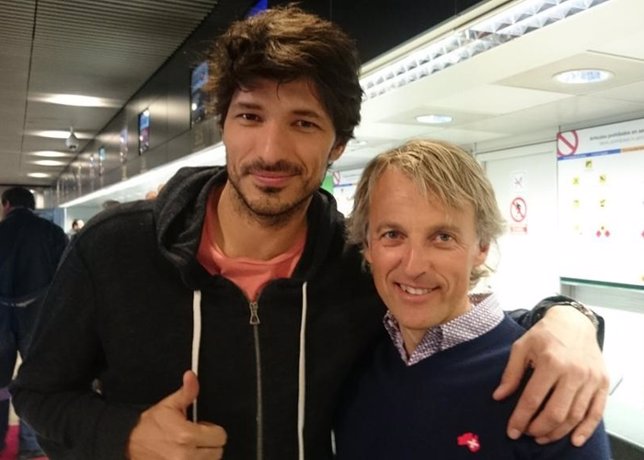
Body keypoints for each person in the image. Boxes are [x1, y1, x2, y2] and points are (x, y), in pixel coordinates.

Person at [11, 6, 608, 460]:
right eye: (250, 116)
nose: (271, 150)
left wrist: (572, 319)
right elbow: (38, 391)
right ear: (225, 127)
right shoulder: (116, 249)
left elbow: (451, 313)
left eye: (303, 122)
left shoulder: (354, 263)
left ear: (337, 146)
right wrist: (126, 434)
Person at [334, 139, 611, 458]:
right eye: (393, 235)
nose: (414, 266)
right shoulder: (357, 359)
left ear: (481, 246)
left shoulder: (547, 382)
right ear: (368, 245)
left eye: (443, 237)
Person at [0, 187, 68, 460]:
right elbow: (67, 278)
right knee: (35, 379)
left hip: (0, 315)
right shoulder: (51, 232)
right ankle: (32, 444)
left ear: (6, 205)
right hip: (39, 315)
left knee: (0, 382)